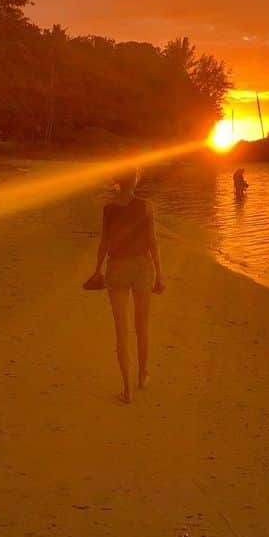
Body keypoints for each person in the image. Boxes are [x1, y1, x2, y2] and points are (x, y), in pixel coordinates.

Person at [87, 170, 165, 403]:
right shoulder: (146, 206)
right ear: (136, 180)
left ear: (117, 182)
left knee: (121, 332)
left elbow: (104, 242)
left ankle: (127, 390)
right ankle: (142, 376)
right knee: (142, 327)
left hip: (117, 269)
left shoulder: (109, 209)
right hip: (142, 268)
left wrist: (97, 269)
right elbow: (153, 241)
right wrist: (160, 275)